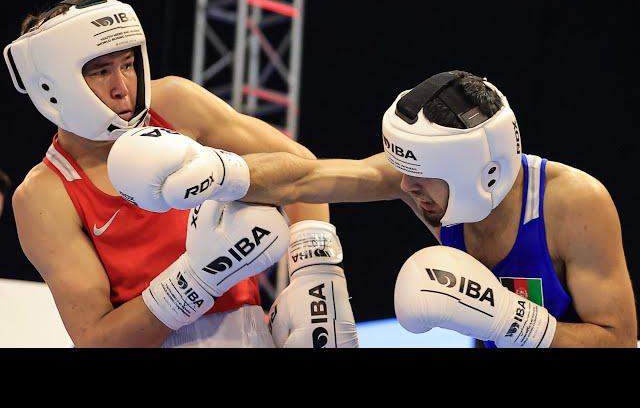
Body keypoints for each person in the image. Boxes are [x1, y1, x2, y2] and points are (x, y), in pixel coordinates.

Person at [118, 69, 635, 347]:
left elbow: (620, 340)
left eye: (421, 177)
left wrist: (518, 325)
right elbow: (309, 176)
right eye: (402, 171)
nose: (406, 189)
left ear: (481, 171)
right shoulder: (425, 181)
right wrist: (225, 174)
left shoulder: (574, 204)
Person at [5, 0, 358, 348]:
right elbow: (96, 339)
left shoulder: (174, 105)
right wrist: (198, 278)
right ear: (53, 87)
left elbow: (301, 172)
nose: (122, 87)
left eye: (127, 64)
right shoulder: (45, 194)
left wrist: (317, 277)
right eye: (100, 71)